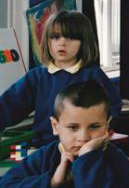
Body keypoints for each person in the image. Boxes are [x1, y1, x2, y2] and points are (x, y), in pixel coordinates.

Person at [0, 80, 129, 188]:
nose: (83, 137)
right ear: (55, 126)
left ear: (107, 125)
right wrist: (52, 181)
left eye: (94, 126)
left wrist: (87, 157)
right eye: (73, 127)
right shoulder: (44, 156)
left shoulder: (117, 160)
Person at [0, 10, 121, 146]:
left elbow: (113, 107)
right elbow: (9, 106)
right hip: (43, 147)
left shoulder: (92, 75)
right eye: (56, 37)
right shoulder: (37, 76)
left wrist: (98, 135)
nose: (62, 43)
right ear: (47, 41)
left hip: (83, 145)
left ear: (83, 42)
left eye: (70, 38)